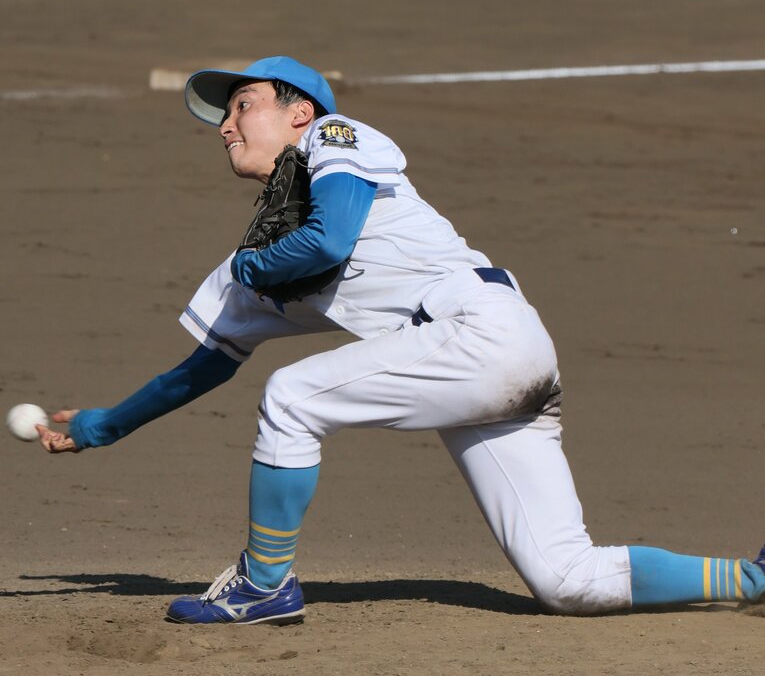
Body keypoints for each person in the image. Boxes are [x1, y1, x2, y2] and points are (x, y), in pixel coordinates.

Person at [38, 55, 765, 623]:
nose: (226, 125)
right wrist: (104, 425)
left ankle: (262, 584)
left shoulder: (337, 138)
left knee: (292, 397)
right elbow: (199, 368)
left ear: (299, 112)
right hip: (478, 369)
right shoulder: (251, 266)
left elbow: (330, 238)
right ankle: (751, 578)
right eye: (223, 117)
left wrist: (258, 267)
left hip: (482, 332)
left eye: (243, 104)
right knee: (565, 580)